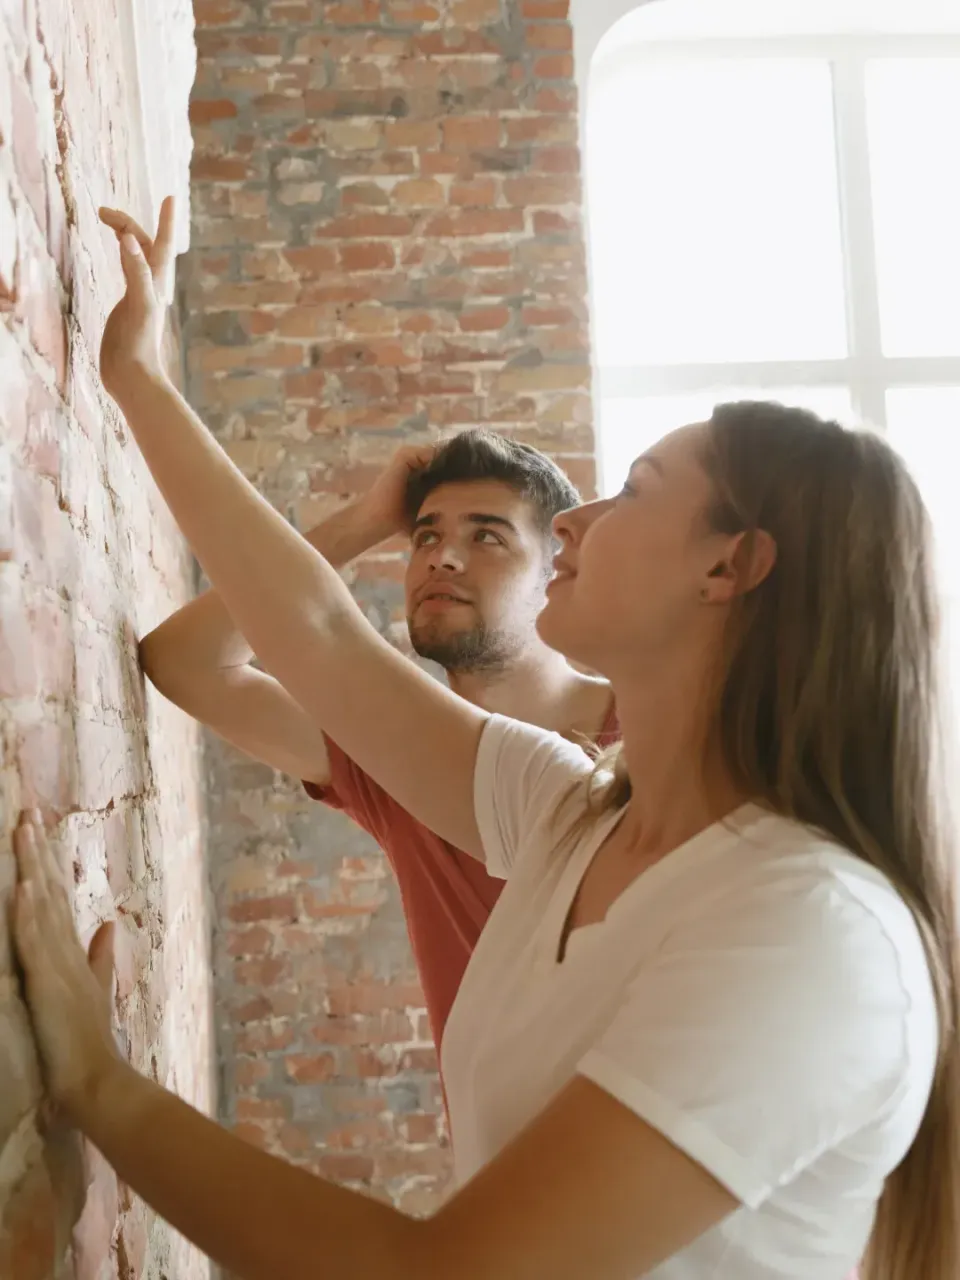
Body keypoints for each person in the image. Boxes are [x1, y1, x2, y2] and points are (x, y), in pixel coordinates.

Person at [11, 203, 958, 1280]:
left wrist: (101, 1083)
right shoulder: (568, 810)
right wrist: (137, 378)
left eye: (636, 489)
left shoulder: (814, 931)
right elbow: (318, 629)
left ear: (728, 566)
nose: (581, 522)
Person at [137, 426, 617, 1055]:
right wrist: (364, 522)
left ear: (557, 572)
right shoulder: (391, 754)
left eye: (487, 536)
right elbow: (186, 663)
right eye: (426, 537)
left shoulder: (649, 732)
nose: (442, 558)